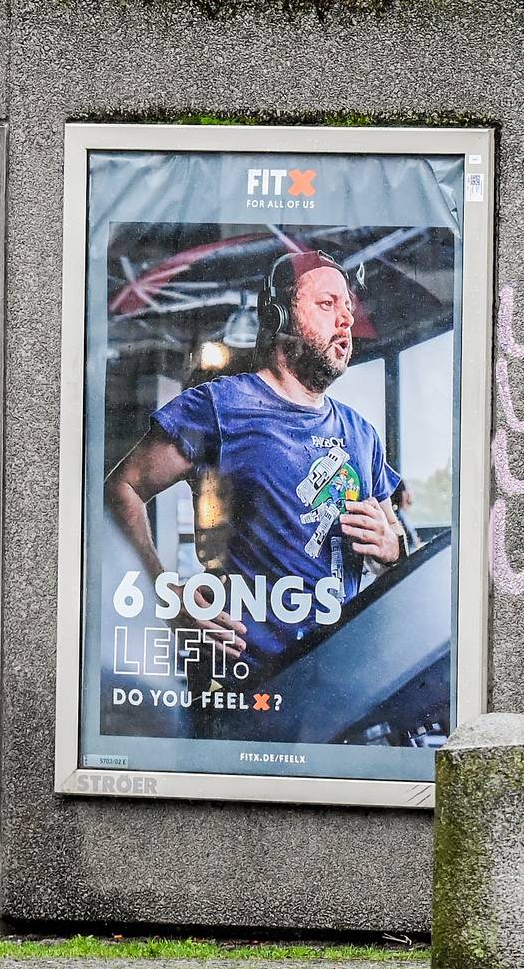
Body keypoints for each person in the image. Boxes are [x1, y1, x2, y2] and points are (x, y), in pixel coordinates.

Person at [104, 251, 408, 698]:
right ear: (280, 315)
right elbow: (121, 488)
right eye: (327, 305)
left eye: (347, 308)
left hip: (337, 684)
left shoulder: (361, 433)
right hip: (239, 680)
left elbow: (397, 537)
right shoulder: (217, 407)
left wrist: (393, 546)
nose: (346, 320)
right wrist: (165, 593)